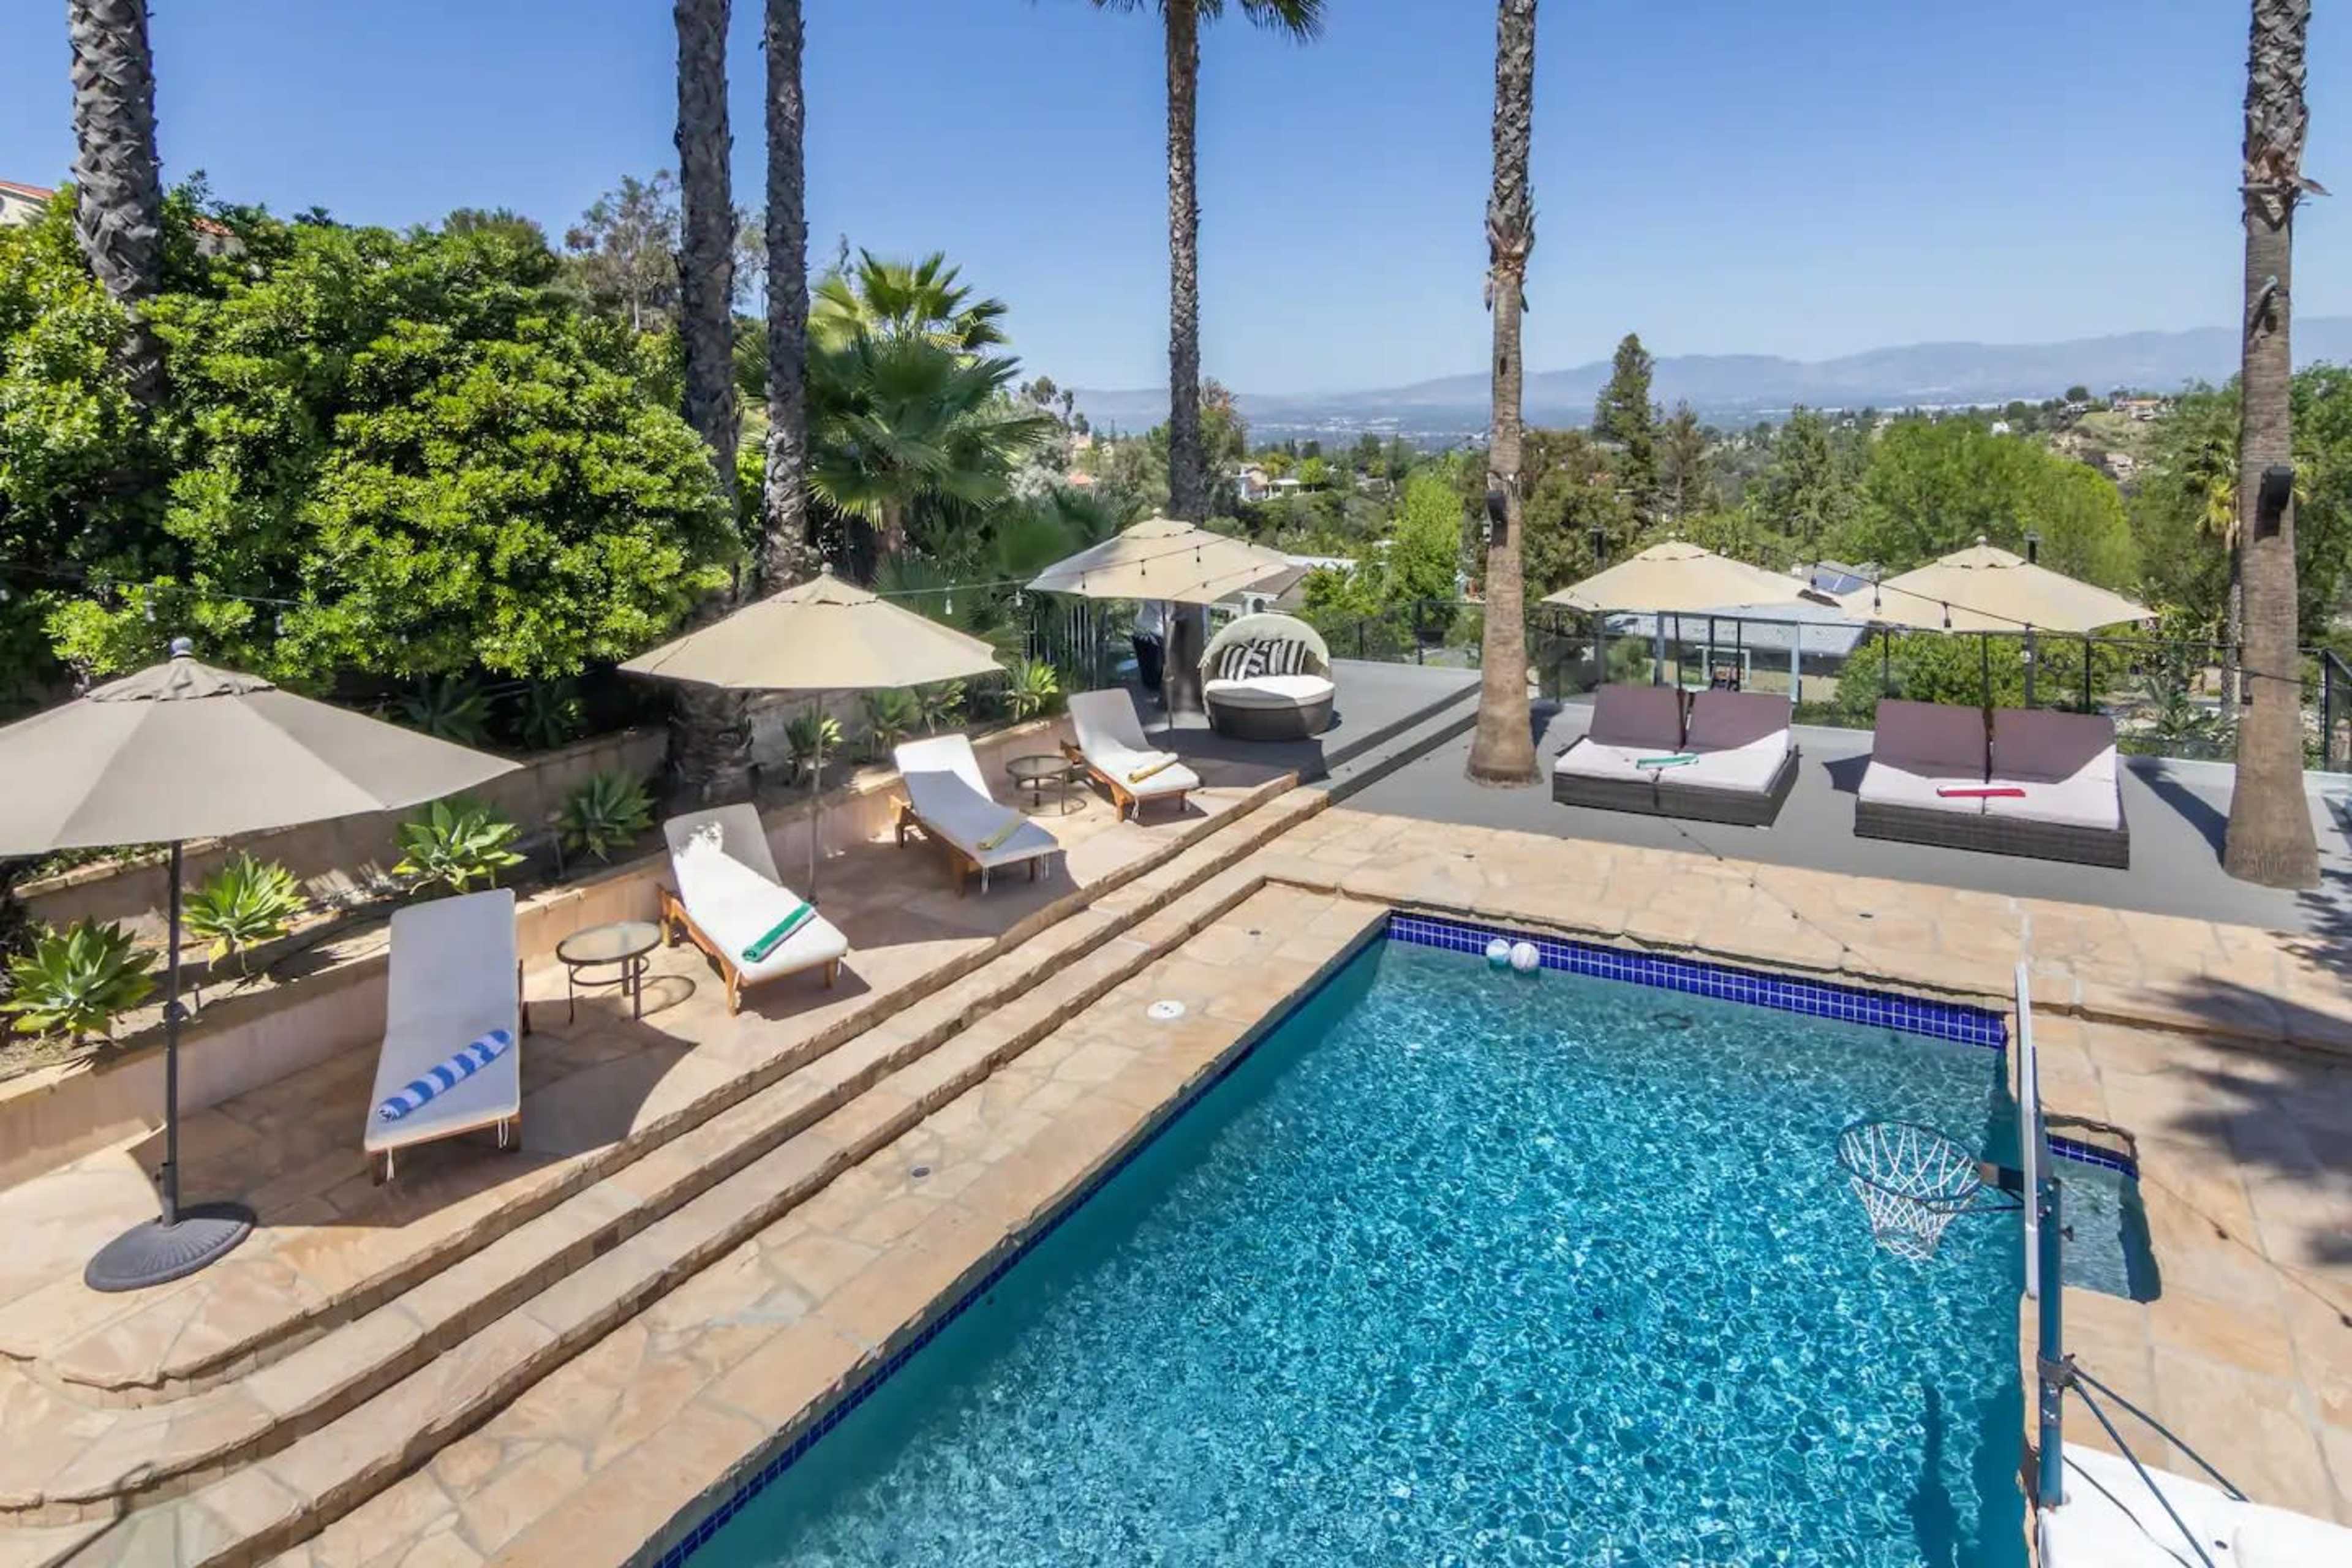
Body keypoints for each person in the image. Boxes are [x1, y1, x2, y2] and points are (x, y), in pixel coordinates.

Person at [1132, 598, 1167, 701]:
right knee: (1152, 667)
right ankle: (1152, 686)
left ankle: (1151, 686)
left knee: (1150, 667)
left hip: (1149, 631)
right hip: (1151, 632)